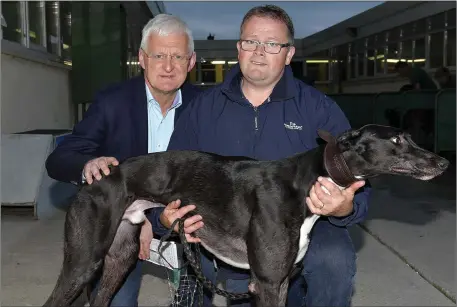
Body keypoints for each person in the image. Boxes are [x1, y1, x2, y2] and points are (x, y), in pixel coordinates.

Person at [162, 5, 372, 307]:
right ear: (239, 48)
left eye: (272, 44)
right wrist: (165, 217)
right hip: (225, 223)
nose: (259, 51)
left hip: (306, 224)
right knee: (189, 255)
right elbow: (168, 174)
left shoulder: (318, 109)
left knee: (334, 260)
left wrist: (345, 207)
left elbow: (359, 184)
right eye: (251, 42)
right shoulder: (202, 109)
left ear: (288, 54)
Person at [45, 14, 205, 306]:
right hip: (120, 219)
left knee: (194, 299)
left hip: (180, 222)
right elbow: (59, 158)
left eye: (177, 57)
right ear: (142, 59)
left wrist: (156, 219)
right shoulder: (112, 102)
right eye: (158, 55)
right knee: (111, 300)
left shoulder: (207, 105)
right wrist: (87, 164)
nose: (168, 67)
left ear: (191, 62)